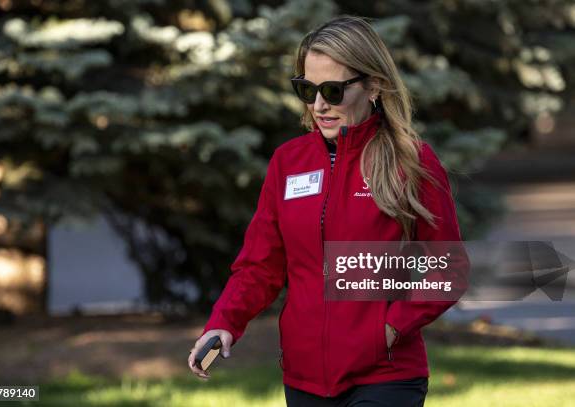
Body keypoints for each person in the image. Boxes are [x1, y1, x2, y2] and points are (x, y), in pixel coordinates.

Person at [188, 15, 463, 406]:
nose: (319, 105)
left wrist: (388, 329)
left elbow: (449, 268)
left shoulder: (411, 162)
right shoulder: (288, 162)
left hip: (386, 377)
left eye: (333, 91)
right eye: (307, 89)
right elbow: (260, 266)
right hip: (304, 380)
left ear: (374, 86)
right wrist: (224, 323)